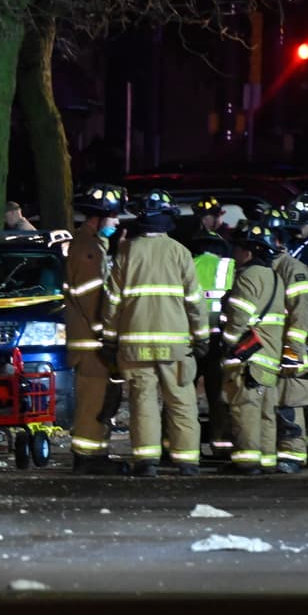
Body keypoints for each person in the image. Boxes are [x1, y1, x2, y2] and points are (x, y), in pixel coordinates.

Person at [102, 188, 209, 477]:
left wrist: (110, 339)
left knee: (142, 402)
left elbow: (113, 302)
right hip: (174, 346)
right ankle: (187, 461)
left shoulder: (127, 252)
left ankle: (146, 461)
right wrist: (201, 337)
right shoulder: (180, 253)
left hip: (135, 346)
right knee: (182, 401)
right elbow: (195, 302)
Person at [66, 184, 128, 474]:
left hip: (90, 340)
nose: (116, 223)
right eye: (113, 217)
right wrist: (106, 333)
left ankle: (95, 455)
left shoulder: (92, 245)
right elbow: (92, 299)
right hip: (91, 343)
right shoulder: (88, 250)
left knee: (100, 398)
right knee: (93, 399)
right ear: (99, 217)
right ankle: (87, 458)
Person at [218, 222, 286, 475]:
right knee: (266, 412)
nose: (234, 252)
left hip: (249, 357)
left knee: (245, 409)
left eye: (237, 247)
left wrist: (228, 340)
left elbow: (239, 317)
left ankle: (246, 461)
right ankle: (266, 460)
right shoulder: (275, 277)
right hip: (269, 356)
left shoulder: (248, 277)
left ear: (249, 250)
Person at [263, 209, 308, 473]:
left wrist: (292, 350)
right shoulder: (262, 267)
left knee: (289, 401)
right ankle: (272, 451)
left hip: (286, 348)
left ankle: (293, 453)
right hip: (265, 349)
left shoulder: (292, 269)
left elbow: (302, 312)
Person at [190, 229, 236, 458]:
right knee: (219, 395)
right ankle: (222, 445)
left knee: (184, 395)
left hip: (191, 339)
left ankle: (180, 446)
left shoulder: (187, 265)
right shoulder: (229, 267)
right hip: (219, 340)